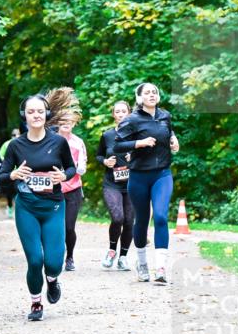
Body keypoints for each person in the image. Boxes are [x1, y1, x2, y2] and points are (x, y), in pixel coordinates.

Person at [0, 89, 79, 321]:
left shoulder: (58, 142)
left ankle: (52, 281)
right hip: (27, 208)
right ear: (24, 115)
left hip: (53, 206)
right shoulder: (16, 146)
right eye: (31, 111)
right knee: (35, 260)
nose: (36, 115)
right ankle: (36, 303)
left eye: (40, 111)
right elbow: (1, 176)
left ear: (47, 114)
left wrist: (63, 176)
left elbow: (71, 168)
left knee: (54, 263)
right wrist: (13, 174)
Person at [113, 82, 179, 283]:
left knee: (160, 216)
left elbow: (169, 132)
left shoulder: (165, 115)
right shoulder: (132, 120)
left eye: (154, 92)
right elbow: (117, 145)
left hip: (162, 174)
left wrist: (174, 140)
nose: (152, 95)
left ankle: (160, 268)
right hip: (139, 176)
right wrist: (138, 143)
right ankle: (142, 263)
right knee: (141, 221)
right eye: (147, 92)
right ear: (140, 98)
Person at [96, 100, 134, 271]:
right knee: (117, 218)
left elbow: (147, 155)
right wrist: (105, 161)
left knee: (129, 221)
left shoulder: (137, 135)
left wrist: (134, 159)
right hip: (112, 184)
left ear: (129, 113)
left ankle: (123, 257)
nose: (120, 114)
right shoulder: (107, 135)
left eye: (123, 111)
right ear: (113, 114)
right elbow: (98, 156)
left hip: (133, 184)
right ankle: (112, 251)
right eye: (117, 112)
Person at [55, 112, 87, 271]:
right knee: (55, 226)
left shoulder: (77, 142)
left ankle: (70, 257)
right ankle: (56, 256)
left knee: (68, 227)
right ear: (57, 123)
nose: (66, 123)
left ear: (74, 124)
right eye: (63, 121)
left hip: (73, 189)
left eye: (70, 121)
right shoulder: (51, 140)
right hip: (53, 190)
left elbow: (82, 169)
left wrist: (79, 165)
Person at [0, 129, 22, 221]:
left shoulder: (23, 144)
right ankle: (7, 208)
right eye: (14, 135)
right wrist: (7, 163)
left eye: (17, 135)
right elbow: (0, 155)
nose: (16, 136)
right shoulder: (7, 144)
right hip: (8, 174)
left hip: (19, 173)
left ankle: (18, 211)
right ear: (11, 136)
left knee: (18, 192)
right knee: (7, 193)